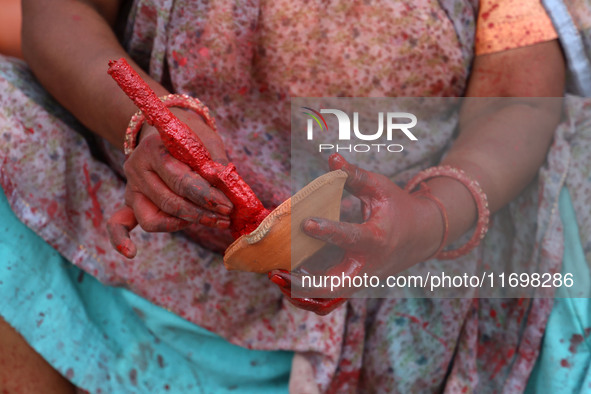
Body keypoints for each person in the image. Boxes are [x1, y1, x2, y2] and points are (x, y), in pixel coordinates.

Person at [0, 0, 589, 392]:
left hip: (407, 281)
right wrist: (148, 121)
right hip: (152, 264)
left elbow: (518, 98)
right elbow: (60, 13)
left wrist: (434, 214)